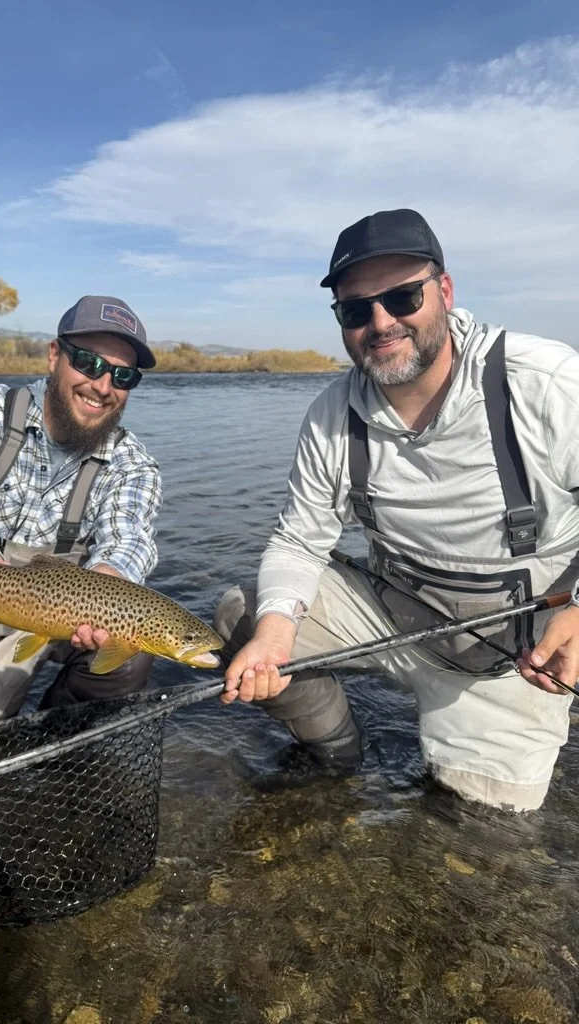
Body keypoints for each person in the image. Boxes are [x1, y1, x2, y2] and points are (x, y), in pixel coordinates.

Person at [215, 208, 579, 813]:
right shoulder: (332, 414)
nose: (381, 323)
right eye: (356, 310)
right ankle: (340, 759)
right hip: (390, 615)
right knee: (245, 619)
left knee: (484, 832)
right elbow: (300, 540)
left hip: (517, 657)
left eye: (403, 297)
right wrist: (275, 637)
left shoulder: (548, 384)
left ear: (444, 291)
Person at [0, 294, 162, 736]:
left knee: (131, 654)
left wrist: (113, 577)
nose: (103, 387)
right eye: (88, 362)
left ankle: (51, 741)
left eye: (123, 375)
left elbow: (130, 541)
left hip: (70, 624)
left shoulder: (134, 464)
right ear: (54, 356)